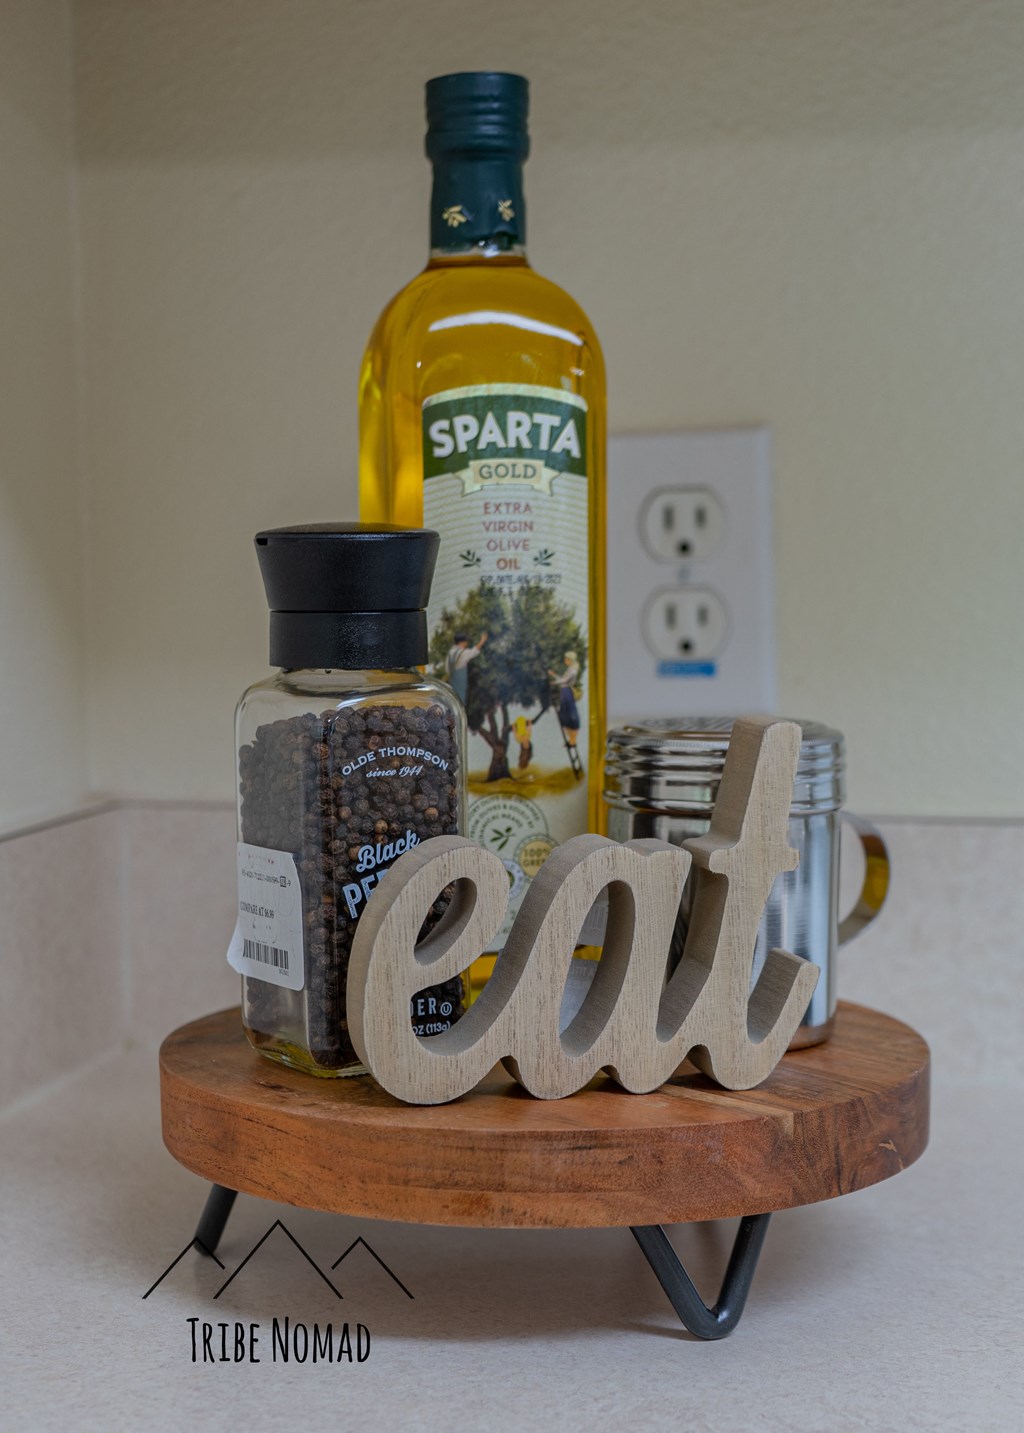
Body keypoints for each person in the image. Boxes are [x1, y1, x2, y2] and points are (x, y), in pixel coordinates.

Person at [548, 651, 581, 748]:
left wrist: (554, 682)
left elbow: (565, 681)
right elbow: (562, 679)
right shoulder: (570, 669)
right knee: (564, 715)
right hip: (564, 692)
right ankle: (571, 741)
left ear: (570, 660)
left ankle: (573, 741)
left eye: (566, 659)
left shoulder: (573, 670)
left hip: (567, 692)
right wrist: (553, 674)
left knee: (570, 715)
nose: (565, 661)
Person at [445, 631, 487, 704]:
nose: (466, 644)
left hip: (452, 681)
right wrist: (482, 641)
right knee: (460, 701)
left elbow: (447, 669)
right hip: (460, 681)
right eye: (465, 641)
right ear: (461, 642)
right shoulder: (462, 653)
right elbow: (474, 651)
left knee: (453, 701)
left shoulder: (450, 653)